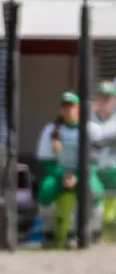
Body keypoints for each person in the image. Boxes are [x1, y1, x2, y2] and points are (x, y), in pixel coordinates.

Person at [36, 91, 105, 248]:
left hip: (85, 172)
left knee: (95, 189)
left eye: (72, 106)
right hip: (59, 173)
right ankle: (49, 234)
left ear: (79, 108)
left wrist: (78, 176)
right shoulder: (51, 130)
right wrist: (63, 176)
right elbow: (48, 161)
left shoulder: (91, 129)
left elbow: (94, 161)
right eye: (65, 106)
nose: (68, 110)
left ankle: (93, 231)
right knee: (46, 189)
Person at [90, 82, 116, 227]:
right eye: (102, 97)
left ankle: (109, 225)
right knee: (93, 188)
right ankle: (96, 228)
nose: (105, 101)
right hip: (92, 167)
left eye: (109, 98)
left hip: (113, 168)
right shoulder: (87, 118)